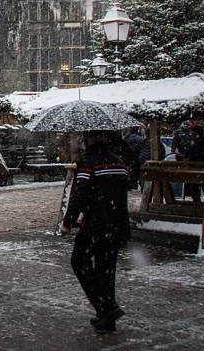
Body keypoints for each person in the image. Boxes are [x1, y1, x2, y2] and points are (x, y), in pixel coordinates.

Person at [61, 130, 131, 333]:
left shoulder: (89, 162)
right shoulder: (118, 162)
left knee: (79, 262)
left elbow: (81, 194)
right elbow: (125, 187)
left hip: (96, 225)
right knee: (106, 269)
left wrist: (68, 221)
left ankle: (107, 307)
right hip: (118, 224)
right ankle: (106, 317)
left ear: (90, 139)